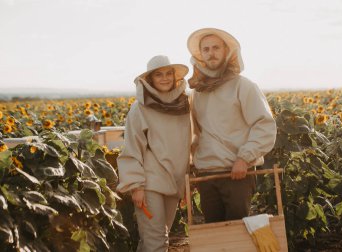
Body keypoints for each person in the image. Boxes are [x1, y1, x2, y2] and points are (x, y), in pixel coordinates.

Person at [187, 28, 277, 223]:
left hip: (236, 171)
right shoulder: (198, 92)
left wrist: (244, 158)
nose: (211, 53)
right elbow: (195, 133)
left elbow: (264, 125)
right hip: (207, 174)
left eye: (216, 48)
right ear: (200, 55)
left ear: (226, 51)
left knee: (238, 232)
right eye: (206, 49)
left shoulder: (243, 86)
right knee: (216, 233)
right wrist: (192, 165)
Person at [116, 55, 191, 252]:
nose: (165, 78)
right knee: (157, 241)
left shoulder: (185, 105)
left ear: (175, 77)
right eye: (159, 75)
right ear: (150, 79)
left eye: (168, 74)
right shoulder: (139, 108)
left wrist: (187, 180)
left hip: (174, 181)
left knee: (151, 240)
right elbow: (132, 147)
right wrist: (136, 185)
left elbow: (189, 143)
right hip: (150, 183)